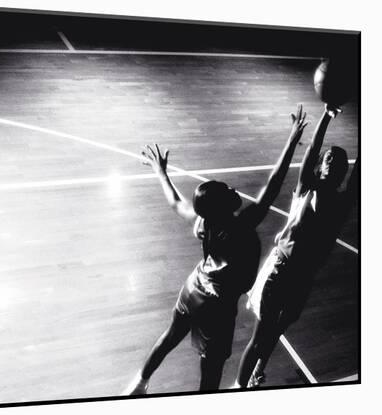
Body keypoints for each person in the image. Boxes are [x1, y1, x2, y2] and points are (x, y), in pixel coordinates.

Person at [123, 105, 309, 394]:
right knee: (210, 374)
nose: (234, 190)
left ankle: (139, 383)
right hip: (217, 308)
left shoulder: (204, 222)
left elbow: (176, 202)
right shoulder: (242, 225)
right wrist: (291, 139)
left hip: (193, 288)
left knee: (170, 337)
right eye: (228, 191)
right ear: (223, 206)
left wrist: (161, 172)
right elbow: (274, 183)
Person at [235, 104, 359, 388]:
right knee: (259, 335)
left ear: (343, 171)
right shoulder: (307, 187)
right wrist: (326, 117)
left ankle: (258, 371)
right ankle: (238, 391)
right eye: (329, 157)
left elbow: (359, 176)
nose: (332, 161)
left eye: (339, 161)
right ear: (321, 164)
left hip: (303, 277)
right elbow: (313, 149)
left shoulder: (342, 203)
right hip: (280, 268)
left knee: (279, 327)